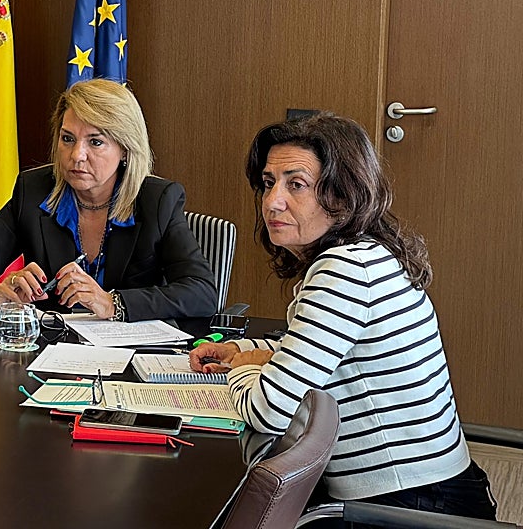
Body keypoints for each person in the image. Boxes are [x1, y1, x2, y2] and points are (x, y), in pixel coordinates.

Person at [189, 114, 496, 522]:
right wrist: (240, 350)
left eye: (295, 184)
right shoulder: (366, 253)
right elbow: (318, 352)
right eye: (268, 183)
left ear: (342, 196)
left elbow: (268, 409)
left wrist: (239, 370)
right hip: (431, 494)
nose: (272, 201)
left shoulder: (345, 271)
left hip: (407, 508)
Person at [0, 78, 217, 321]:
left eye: (95, 142)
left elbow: (201, 293)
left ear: (126, 150)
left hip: (132, 361)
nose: (76, 155)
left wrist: (111, 303)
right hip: (49, 357)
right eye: (68, 139)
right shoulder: (34, 191)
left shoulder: (158, 201)